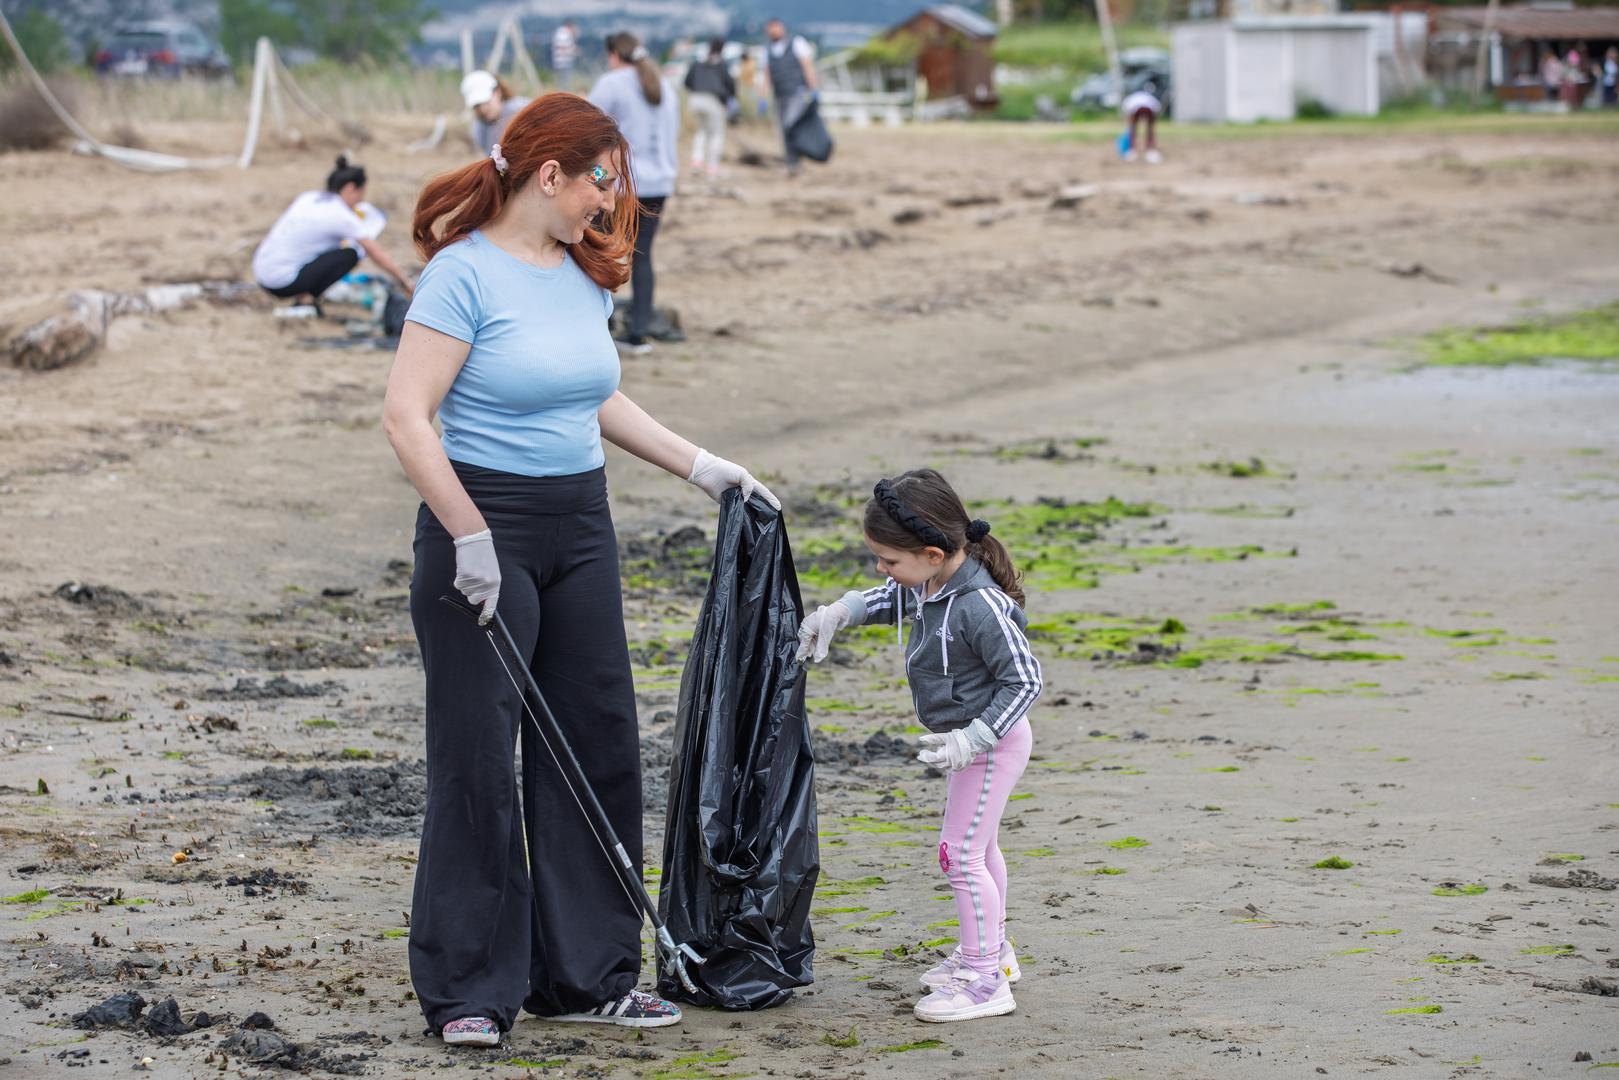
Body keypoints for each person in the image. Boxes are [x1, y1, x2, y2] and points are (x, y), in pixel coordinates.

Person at [382, 91, 780, 1049]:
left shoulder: (582, 274)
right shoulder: (460, 277)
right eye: (603, 179)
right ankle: (472, 988)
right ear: (547, 173)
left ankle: (588, 976)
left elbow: (591, 396)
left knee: (595, 742)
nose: (612, 201)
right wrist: (466, 535)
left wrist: (703, 467)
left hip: (581, 526)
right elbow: (406, 416)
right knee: (479, 759)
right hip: (482, 530)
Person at [795, 469, 1042, 1024]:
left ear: (933, 552)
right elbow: (892, 597)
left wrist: (975, 738)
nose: (881, 569)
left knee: (958, 856)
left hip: (989, 745)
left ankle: (983, 982)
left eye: (889, 560)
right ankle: (994, 954)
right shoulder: (930, 583)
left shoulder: (981, 605)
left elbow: (1025, 681)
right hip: (968, 742)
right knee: (982, 848)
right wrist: (841, 612)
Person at [589, 33, 678, 356]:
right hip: (660, 184)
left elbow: (587, 132)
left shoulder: (611, 84)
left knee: (595, 252)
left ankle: (599, 326)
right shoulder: (664, 85)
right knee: (642, 257)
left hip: (622, 186)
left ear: (613, 54)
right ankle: (638, 334)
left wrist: (594, 179)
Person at [252, 155, 413, 310]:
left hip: (261, 272)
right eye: (361, 194)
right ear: (350, 188)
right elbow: (375, 252)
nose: (360, 201)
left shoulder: (308, 197)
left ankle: (303, 295)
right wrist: (405, 282)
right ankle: (306, 298)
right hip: (282, 282)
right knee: (351, 254)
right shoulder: (340, 215)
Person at [764, 19, 818, 176]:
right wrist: (762, 98)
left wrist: (813, 89)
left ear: (782, 29)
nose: (773, 32)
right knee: (782, 129)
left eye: (775, 28)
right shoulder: (767, 51)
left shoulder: (797, 43)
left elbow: (807, 67)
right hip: (779, 95)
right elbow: (766, 76)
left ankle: (797, 157)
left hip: (797, 92)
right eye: (770, 29)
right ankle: (791, 161)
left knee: (790, 124)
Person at [684, 37, 735, 179]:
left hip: (695, 100)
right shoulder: (721, 64)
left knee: (701, 130)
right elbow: (729, 85)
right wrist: (728, 101)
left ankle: (696, 162)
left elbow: (687, 81)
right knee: (716, 134)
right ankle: (712, 167)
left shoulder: (699, 62)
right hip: (713, 100)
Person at [462, 70, 531, 157]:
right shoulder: (480, 128)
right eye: (477, 106)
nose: (483, 109)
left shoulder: (522, 110)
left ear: (498, 92)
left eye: (486, 102)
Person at [1120, 82, 1163, 164]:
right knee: (1132, 129)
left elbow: (1151, 128)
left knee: (1150, 130)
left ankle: (1150, 149)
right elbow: (1130, 123)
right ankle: (1131, 149)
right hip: (1133, 107)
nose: (1143, 118)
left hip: (1148, 107)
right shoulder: (1130, 105)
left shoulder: (1154, 106)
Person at [551, 21, 578, 91]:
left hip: (561, 62)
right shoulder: (563, 34)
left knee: (563, 82)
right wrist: (572, 50)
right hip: (563, 62)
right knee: (563, 82)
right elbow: (562, 47)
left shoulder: (561, 33)